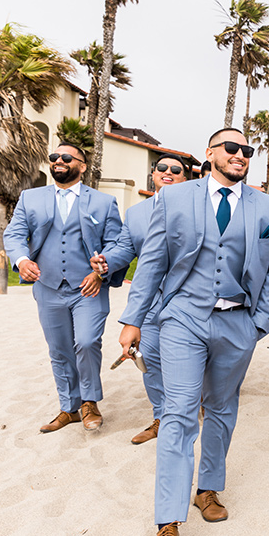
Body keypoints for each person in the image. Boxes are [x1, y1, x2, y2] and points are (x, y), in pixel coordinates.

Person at [116, 128, 269, 536]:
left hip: (238, 323)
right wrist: (133, 319)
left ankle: (208, 488)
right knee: (178, 413)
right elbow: (153, 262)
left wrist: (258, 323)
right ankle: (168, 521)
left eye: (247, 150)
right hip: (182, 319)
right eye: (232, 148)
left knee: (223, 408)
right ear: (211, 153)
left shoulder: (268, 206)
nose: (241, 155)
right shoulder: (175, 198)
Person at [5, 143, 123, 433]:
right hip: (48, 286)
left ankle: (90, 402)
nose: (59, 161)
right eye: (54, 157)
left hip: (88, 288)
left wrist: (101, 270)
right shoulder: (30, 198)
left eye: (66, 157)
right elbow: (15, 233)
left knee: (86, 342)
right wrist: (21, 260)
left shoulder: (104, 202)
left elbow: (117, 243)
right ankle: (69, 408)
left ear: (82, 166)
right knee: (59, 350)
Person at [90, 154, 189, 444]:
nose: (167, 172)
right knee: (150, 359)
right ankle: (161, 417)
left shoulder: (197, 209)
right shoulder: (136, 213)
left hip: (187, 300)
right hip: (149, 301)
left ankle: (195, 406)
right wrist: (105, 262)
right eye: (161, 168)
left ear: (185, 178)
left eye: (175, 170)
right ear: (153, 174)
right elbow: (124, 248)